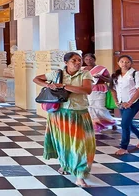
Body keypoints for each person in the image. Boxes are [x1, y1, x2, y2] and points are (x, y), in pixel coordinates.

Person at [33, 52, 95, 188]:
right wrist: (50, 85)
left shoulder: (85, 74)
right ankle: (65, 164)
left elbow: (87, 90)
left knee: (81, 146)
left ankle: (80, 175)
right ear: (66, 62)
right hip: (59, 113)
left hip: (78, 113)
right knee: (62, 142)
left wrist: (63, 86)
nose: (78, 62)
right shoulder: (56, 74)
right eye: (74, 60)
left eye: (80, 60)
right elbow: (36, 79)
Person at [111, 55, 139, 155]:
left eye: (127, 62)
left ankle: (123, 147)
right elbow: (113, 89)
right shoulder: (116, 75)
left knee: (124, 124)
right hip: (122, 103)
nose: (124, 64)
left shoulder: (135, 74)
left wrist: (130, 102)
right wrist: (116, 101)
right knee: (127, 123)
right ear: (118, 63)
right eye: (122, 61)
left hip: (133, 103)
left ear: (131, 63)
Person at [82, 53, 116, 132]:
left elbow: (109, 80)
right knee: (90, 107)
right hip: (87, 90)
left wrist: (101, 77)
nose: (88, 61)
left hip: (99, 89)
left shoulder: (101, 69)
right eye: (86, 59)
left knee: (100, 107)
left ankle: (111, 122)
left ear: (94, 59)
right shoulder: (83, 69)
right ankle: (96, 124)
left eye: (90, 59)